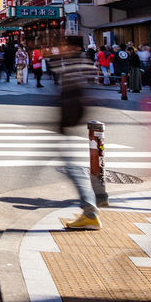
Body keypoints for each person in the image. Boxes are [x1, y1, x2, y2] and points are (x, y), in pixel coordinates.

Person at [52, 38, 101, 230]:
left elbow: (73, 96)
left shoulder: (75, 64)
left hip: (69, 125)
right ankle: (91, 207)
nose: (62, 47)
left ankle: (90, 211)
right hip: (70, 124)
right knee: (73, 166)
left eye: (65, 45)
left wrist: (64, 123)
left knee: (73, 168)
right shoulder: (81, 62)